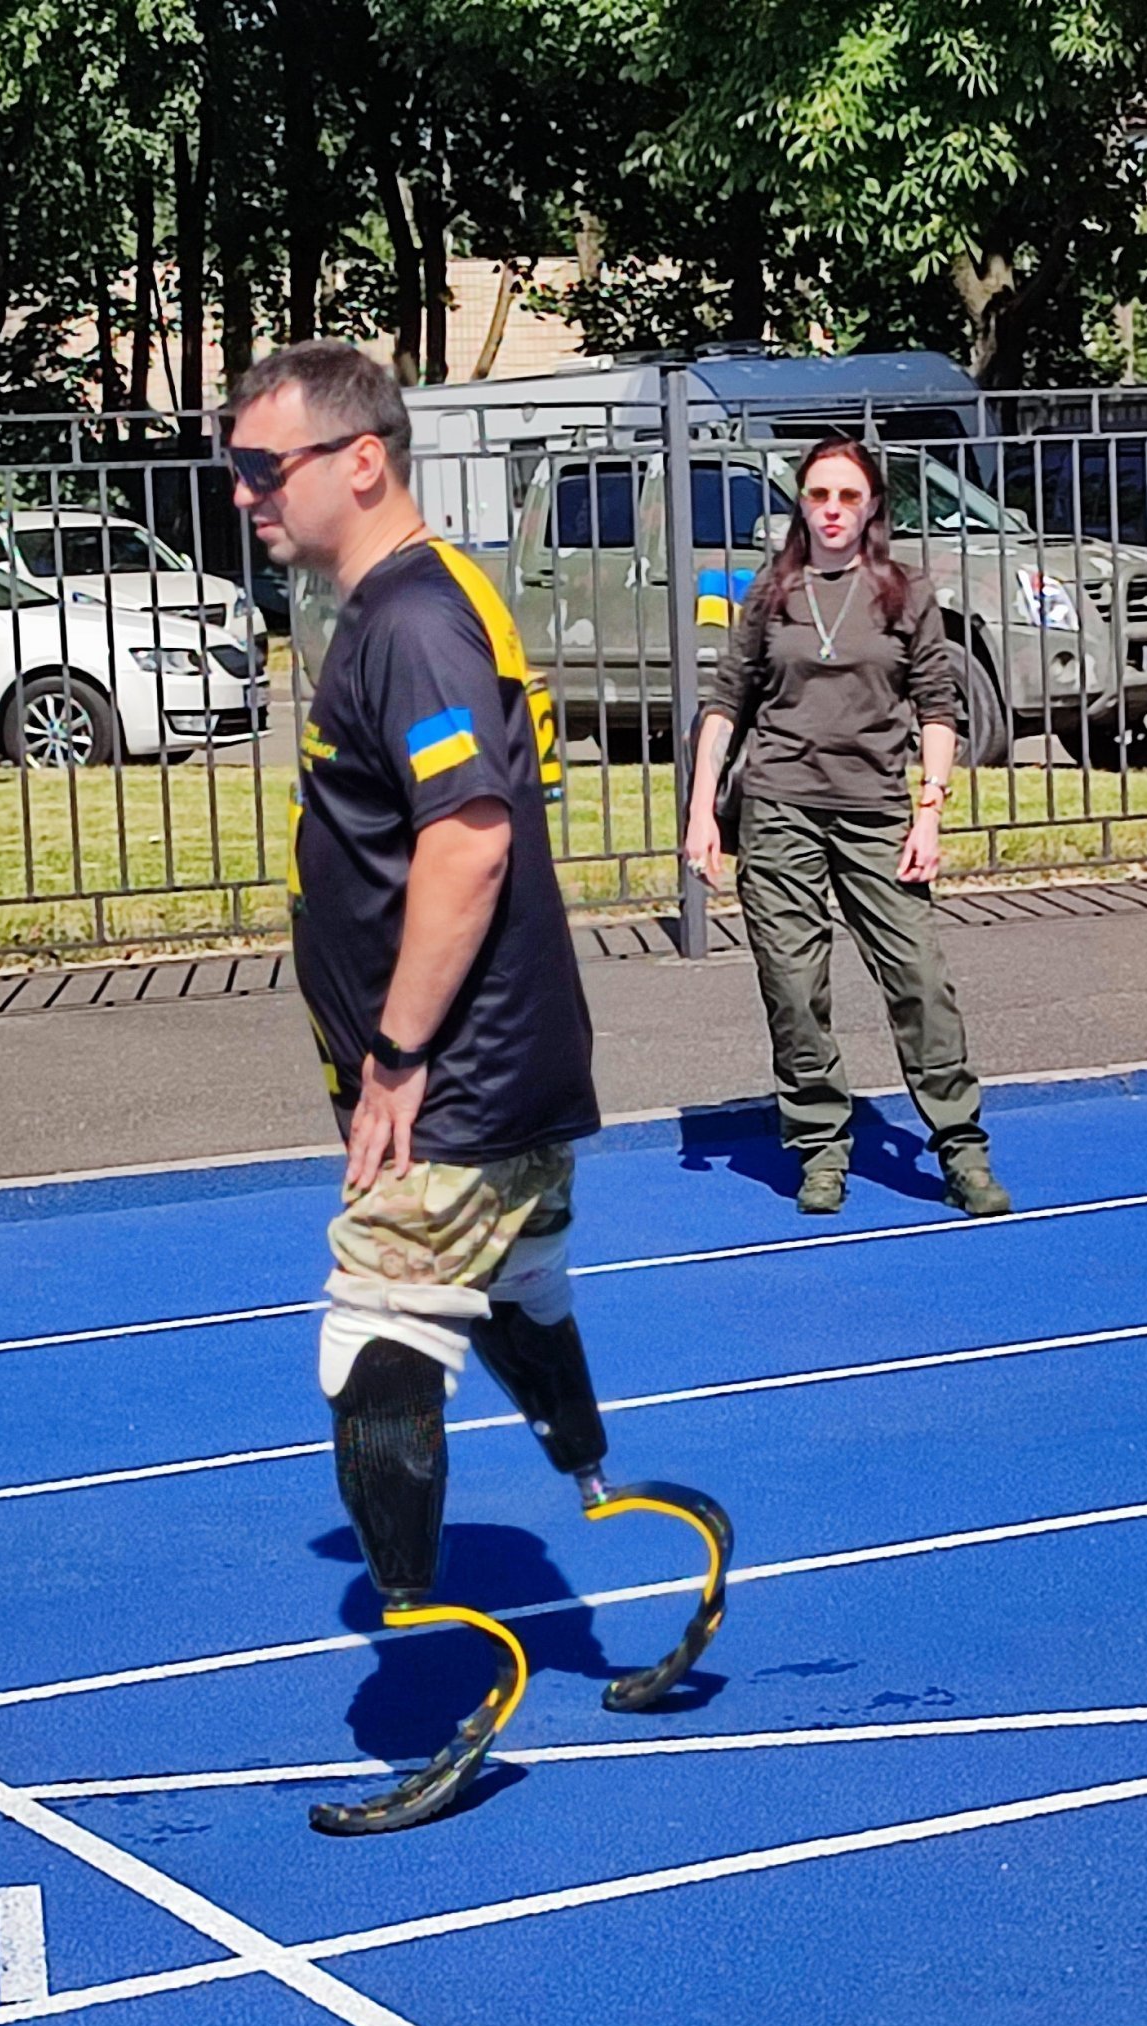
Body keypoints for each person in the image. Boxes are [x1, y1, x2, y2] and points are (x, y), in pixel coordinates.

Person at [225, 339, 730, 1838]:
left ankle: (443, 1654)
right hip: (502, 1062)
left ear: (359, 460)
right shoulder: (410, 604)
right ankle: (605, 1490)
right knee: (514, 1273)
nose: (243, 493)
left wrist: (396, 1053)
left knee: (376, 1330)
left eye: (263, 467)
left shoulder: (413, 621)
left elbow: (468, 838)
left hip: (458, 1075)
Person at [680, 438, 1011, 1220]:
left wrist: (929, 811)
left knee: (919, 981)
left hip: (876, 815)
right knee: (794, 989)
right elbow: (726, 702)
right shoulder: (771, 590)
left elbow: (937, 707)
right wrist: (700, 812)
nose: (832, 510)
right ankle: (821, 1149)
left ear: (871, 508)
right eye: (819, 495)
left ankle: (961, 1149)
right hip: (780, 810)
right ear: (802, 504)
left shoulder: (906, 592)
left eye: (848, 496)